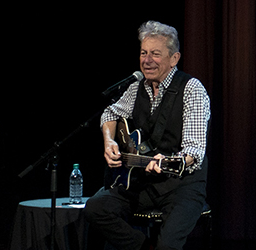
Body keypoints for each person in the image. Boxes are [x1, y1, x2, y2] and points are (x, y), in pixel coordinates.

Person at [83, 21, 210, 250]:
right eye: (143, 53)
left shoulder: (192, 89)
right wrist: (109, 141)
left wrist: (173, 160)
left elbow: (194, 149)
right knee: (95, 209)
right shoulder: (136, 87)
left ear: (174, 58)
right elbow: (110, 113)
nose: (147, 60)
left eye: (155, 54)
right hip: (143, 181)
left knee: (168, 245)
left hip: (181, 185)